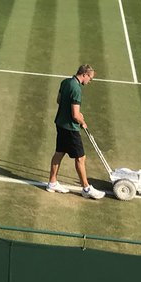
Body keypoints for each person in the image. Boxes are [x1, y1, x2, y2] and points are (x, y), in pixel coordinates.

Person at [47, 64, 106, 199]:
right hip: (70, 128)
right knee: (80, 158)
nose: (90, 81)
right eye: (90, 78)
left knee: (59, 153)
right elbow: (75, 114)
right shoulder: (77, 89)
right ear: (84, 74)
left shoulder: (65, 82)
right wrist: (82, 121)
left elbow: (59, 100)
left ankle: (52, 183)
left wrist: (76, 114)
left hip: (60, 124)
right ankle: (86, 188)